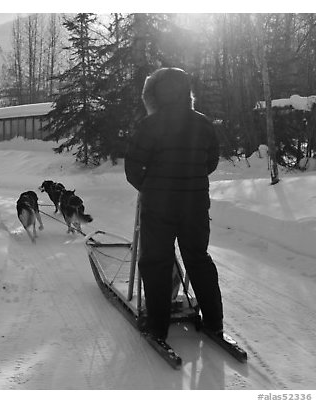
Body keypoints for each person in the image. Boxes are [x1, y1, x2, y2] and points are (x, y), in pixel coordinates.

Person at [124, 67, 223, 341]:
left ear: (152, 96)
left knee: (156, 261)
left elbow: (133, 168)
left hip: (159, 206)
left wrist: (150, 186)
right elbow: (211, 162)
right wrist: (190, 179)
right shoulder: (203, 123)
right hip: (195, 204)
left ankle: (157, 327)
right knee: (198, 258)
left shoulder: (149, 125)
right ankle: (214, 321)